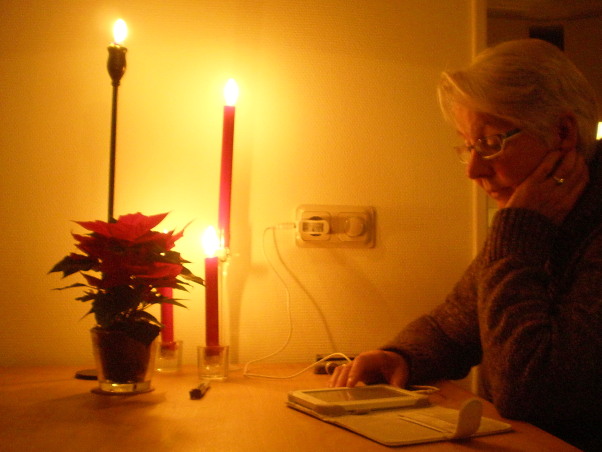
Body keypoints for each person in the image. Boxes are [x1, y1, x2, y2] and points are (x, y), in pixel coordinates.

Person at [329, 39, 601, 451]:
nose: (473, 169)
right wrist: (401, 357)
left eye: (490, 143)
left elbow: (530, 390)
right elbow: (453, 325)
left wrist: (517, 232)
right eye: (468, 146)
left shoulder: (535, 222)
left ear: (563, 133)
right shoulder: (541, 214)